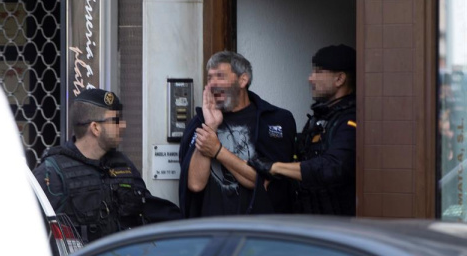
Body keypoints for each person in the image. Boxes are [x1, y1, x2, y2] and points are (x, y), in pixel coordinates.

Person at [33, 89, 181, 243]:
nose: (123, 125)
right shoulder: (53, 173)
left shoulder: (122, 164)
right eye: (116, 120)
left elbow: (150, 209)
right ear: (95, 127)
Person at [178, 51, 297, 218]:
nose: (213, 84)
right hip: (211, 231)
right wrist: (210, 127)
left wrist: (218, 151)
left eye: (220, 76)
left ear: (243, 80)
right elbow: (195, 185)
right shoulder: (198, 122)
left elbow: (263, 182)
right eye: (210, 78)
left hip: (260, 232)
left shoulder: (275, 120)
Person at [249, 44, 357, 216]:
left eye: (318, 72)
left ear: (339, 79)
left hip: (339, 226)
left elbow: (333, 166)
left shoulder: (350, 120)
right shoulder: (320, 117)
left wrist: (275, 167)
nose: (310, 79)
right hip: (310, 220)